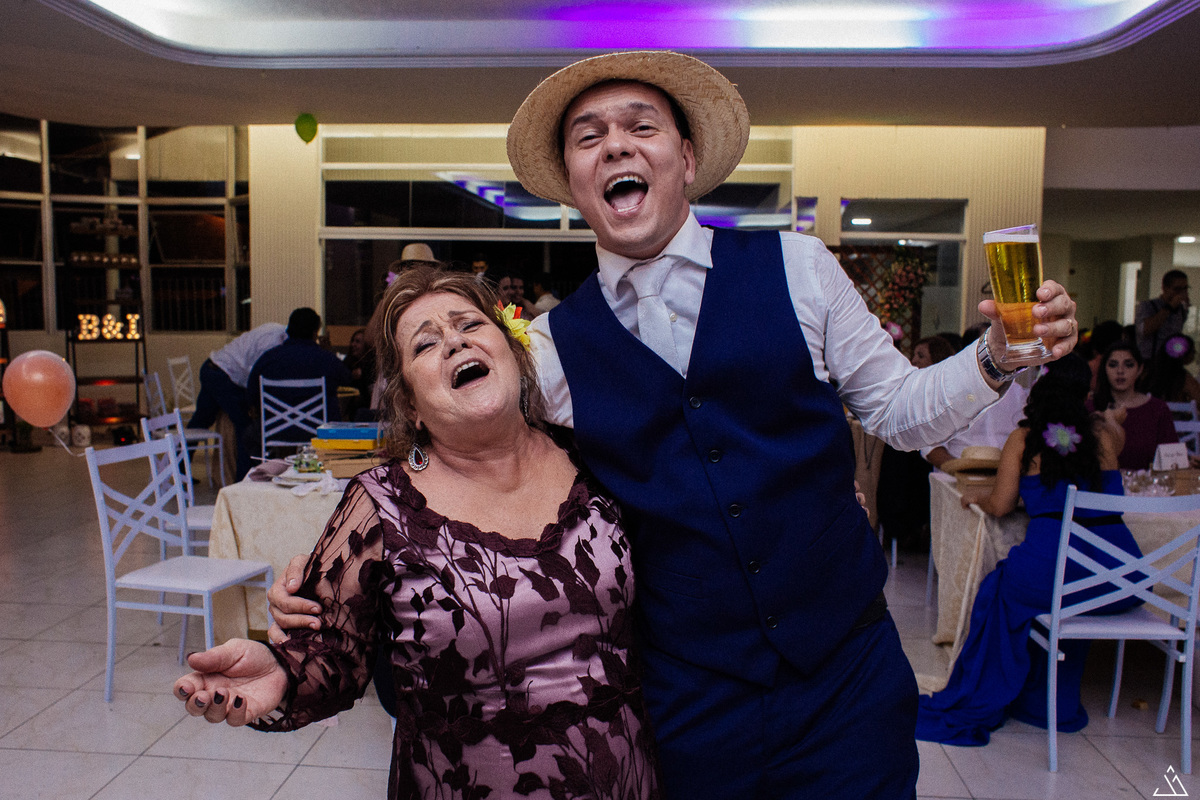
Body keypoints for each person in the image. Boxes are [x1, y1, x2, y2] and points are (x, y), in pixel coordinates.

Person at [272, 50, 1079, 799]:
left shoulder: (798, 268)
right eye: (589, 137)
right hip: (687, 698)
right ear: (573, 184)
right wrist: (343, 586)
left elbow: (901, 412)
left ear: (685, 160)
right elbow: (469, 464)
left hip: (847, 678)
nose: (615, 146)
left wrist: (998, 357)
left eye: (640, 126)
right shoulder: (548, 352)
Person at [174, 266, 660, 800]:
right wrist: (283, 673)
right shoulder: (382, 503)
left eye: (470, 324)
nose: (454, 341)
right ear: (410, 405)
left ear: (514, 353)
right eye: (426, 344)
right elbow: (331, 652)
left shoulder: (595, 460)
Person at [916, 354, 1143, 745]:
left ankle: (999, 692)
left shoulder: (1024, 438)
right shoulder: (1102, 438)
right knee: (1048, 592)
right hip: (1121, 578)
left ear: (1037, 392)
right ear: (1085, 393)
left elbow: (1002, 505)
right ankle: (1048, 699)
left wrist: (978, 498)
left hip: (1055, 570)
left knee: (998, 591)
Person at [876, 336, 956, 551]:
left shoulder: (950, 396)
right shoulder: (909, 391)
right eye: (914, 355)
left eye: (921, 356)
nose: (913, 360)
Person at [245, 307, 352, 458]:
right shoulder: (326, 359)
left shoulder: (268, 359)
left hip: (276, 430)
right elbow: (347, 378)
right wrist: (329, 351)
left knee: (249, 435)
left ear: (288, 330)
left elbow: (252, 395)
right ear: (315, 332)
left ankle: (263, 472)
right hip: (320, 430)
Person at [188, 321, 287, 480]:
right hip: (225, 375)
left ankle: (179, 470)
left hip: (212, 367)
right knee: (246, 426)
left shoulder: (276, 330)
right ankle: (243, 479)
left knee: (199, 422)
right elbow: (256, 375)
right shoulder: (273, 341)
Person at [1091, 341, 1177, 469]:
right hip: (1099, 486)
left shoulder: (1157, 409)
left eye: (1129, 365)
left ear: (1140, 370)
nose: (1120, 371)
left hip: (1146, 485)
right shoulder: (1091, 406)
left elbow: (1172, 456)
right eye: (1113, 365)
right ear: (1105, 369)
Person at [1136, 269, 1190, 361]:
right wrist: (1169, 307)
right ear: (1165, 288)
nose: (1181, 293)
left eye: (1185, 288)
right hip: (1150, 361)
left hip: (1171, 361)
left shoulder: (1181, 309)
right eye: (1177, 289)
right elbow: (1144, 330)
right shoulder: (1147, 306)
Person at [1147, 334, 1200, 408]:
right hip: (1177, 418)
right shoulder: (1185, 378)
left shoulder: (1149, 373)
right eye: (1193, 351)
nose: (1195, 353)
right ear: (1185, 354)